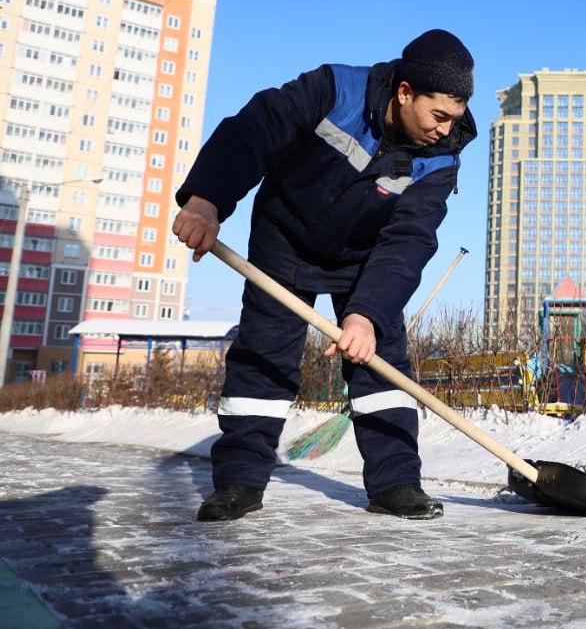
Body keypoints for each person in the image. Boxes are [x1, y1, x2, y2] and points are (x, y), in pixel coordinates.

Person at [172, 29, 477, 522]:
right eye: (438, 115)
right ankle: (238, 482)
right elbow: (253, 131)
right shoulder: (335, 91)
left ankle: (396, 482)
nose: (444, 129)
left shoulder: (440, 157)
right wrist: (206, 199)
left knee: (382, 366)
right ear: (404, 93)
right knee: (264, 357)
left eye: (454, 119)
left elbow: (410, 239)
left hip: (365, 260)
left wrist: (366, 314)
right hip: (285, 239)